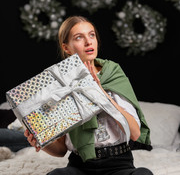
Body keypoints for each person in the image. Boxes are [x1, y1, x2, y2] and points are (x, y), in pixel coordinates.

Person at [24, 15, 153, 175]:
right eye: (79, 38)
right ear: (66, 48)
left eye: (92, 35)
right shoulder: (60, 85)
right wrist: (41, 141)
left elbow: (135, 133)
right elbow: (61, 150)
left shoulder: (113, 73)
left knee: (143, 174)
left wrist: (100, 93)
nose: (88, 42)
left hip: (119, 164)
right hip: (80, 166)